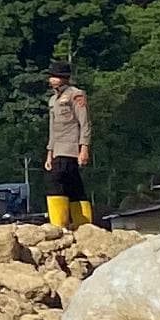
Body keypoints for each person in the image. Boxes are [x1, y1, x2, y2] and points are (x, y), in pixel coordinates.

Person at [41, 63, 95, 229]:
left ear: (64, 78)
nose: (52, 79)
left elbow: (84, 123)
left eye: (55, 76)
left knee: (55, 181)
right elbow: (52, 128)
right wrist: (49, 152)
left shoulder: (76, 95)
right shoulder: (53, 100)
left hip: (70, 148)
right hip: (57, 149)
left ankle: (58, 224)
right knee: (73, 185)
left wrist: (84, 147)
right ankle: (82, 223)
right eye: (51, 76)